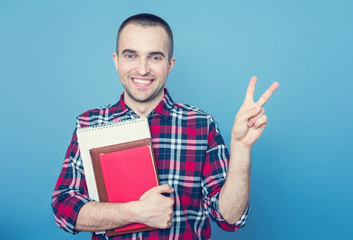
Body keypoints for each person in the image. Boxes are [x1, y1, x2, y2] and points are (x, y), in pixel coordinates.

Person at [52, 13, 279, 240]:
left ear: (170, 64)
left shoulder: (202, 125)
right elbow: (64, 209)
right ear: (116, 60)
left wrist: (241, 148)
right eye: (131, 55)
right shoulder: (89, 124)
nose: (142, 69)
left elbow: (230, 218)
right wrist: (135, 212)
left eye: (155, 58)